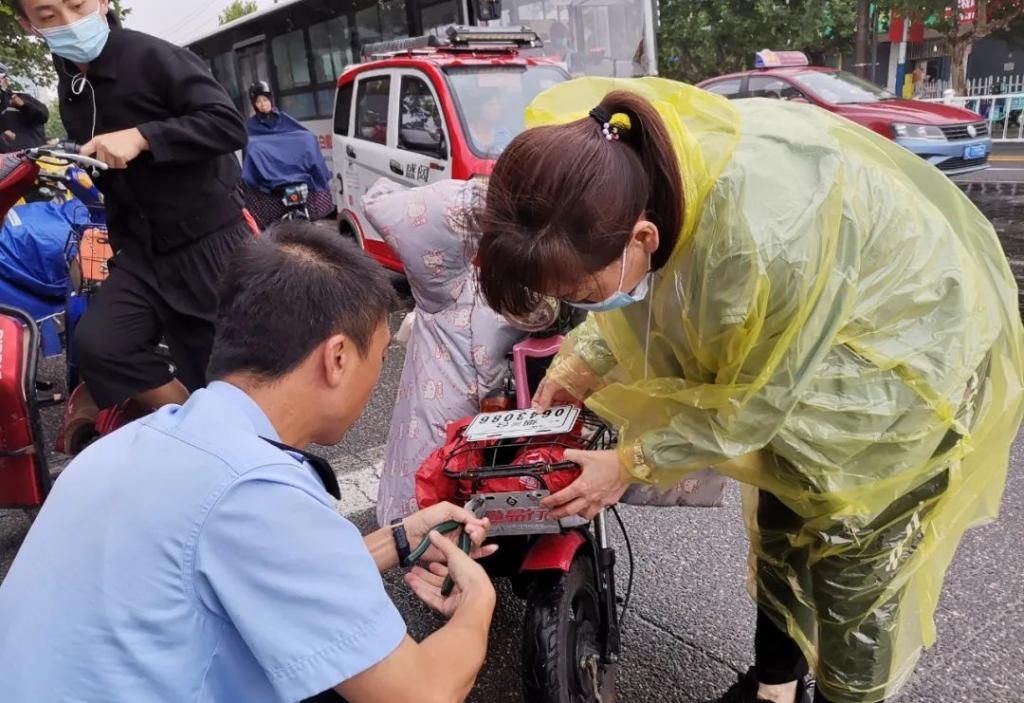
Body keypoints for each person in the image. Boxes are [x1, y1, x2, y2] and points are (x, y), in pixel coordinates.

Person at [473, 77, 1024, 703]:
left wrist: (630, 463)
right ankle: (774, 690)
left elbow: (751, 407)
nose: (581, 306)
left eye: (580, 294)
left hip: (900, 378)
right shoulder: (632, 188)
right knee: (782, 531)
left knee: (853, 574)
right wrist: (578, 366)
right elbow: (646, 298)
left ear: (643, 238)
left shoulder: (761, 241)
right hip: (809, 345)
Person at [0, 222, 498, 703]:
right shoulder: (256, 494)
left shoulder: (139, 443)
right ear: (338, 358)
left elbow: (275, 571)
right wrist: (478, 599)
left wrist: (401, 538)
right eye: (382, 357)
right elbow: (423, 693)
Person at [8, 0, 252, 415]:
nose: (69, 23)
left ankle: (231, 433)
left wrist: (143, 136)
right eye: (48, 16)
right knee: (100, 345)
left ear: (103, 1)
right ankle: (194, 424)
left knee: (221, 370)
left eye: (78, 5)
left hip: (207, 240)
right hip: (139, 251)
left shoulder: (152, 56)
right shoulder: (71, 84)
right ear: (28, 25)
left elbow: (228, 124)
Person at [362, 177, 551, 526]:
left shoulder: (538, 286)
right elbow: (383, 205)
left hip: (511, 433)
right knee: (423, 524)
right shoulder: (445, 283)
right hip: (438, 435)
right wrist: (494, 200)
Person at [242, 80, 336, 229]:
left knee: (308, 138)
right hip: (267, 175)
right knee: (253, 147)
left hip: (296, 172)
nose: (262, 104)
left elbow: (302, 134)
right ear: (254, 105)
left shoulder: (283, 118)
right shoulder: (250, 126)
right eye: (258, 101)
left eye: (265, 100)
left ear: (271, 100)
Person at [0, 63, 49, 151]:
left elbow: (43, 116)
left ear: (4, 81)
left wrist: (24, 105)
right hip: (9, 157)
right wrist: (3, 136)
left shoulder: (21, 98)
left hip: (33, 154)